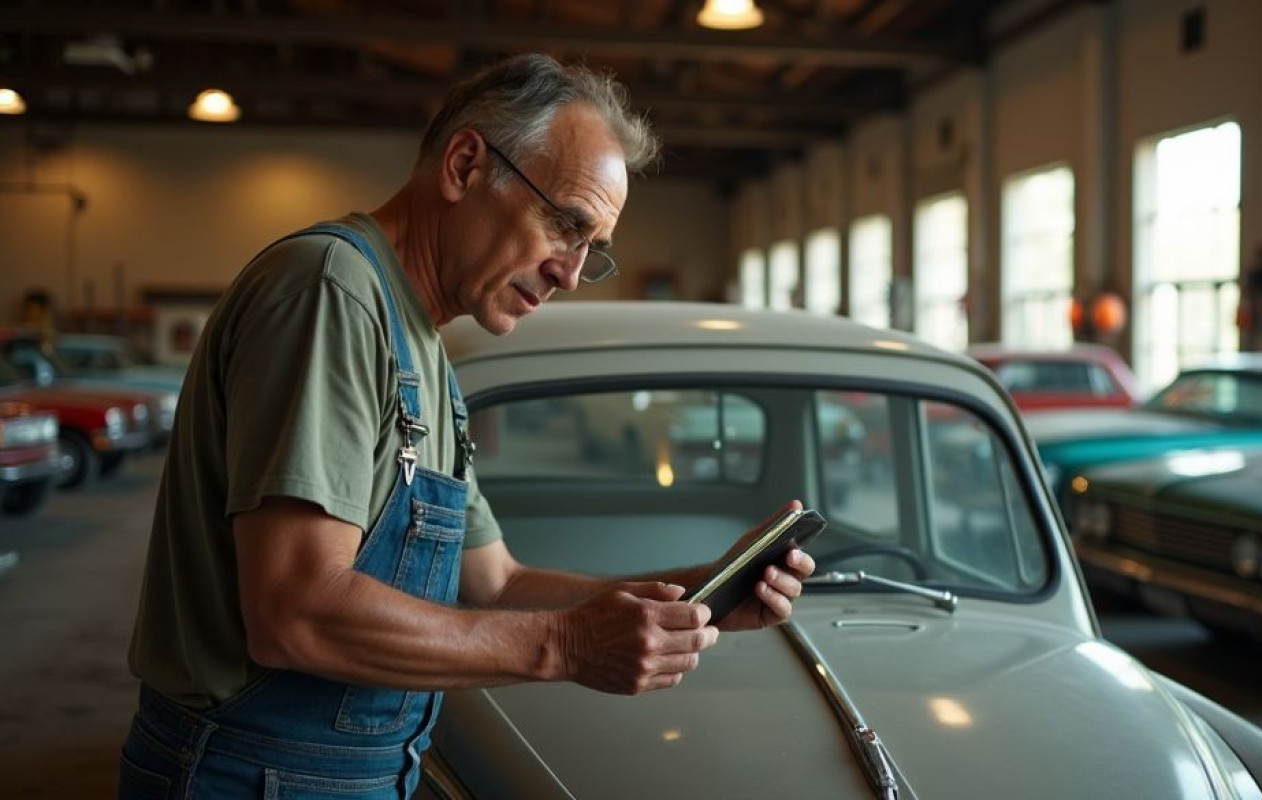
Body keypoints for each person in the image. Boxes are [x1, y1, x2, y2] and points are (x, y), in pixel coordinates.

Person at [118, 53, 815, 799]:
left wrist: (698, 592)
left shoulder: (426, 349)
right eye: (564, 223)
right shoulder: (331, 292)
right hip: (251, 775)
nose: (571, 273)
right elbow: (294, 612)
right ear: (464, 165)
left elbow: (492, 583)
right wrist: (568, 647)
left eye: (591, 249)